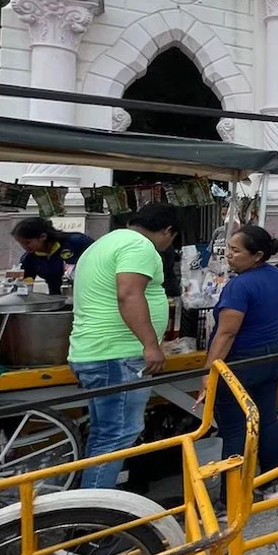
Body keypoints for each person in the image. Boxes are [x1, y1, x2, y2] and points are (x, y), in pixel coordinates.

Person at [68, 202, 180, 489]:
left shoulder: (104, 242)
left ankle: (90, 506)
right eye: (172, 238)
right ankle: (93, 515)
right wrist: (151, 345)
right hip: (116, 356)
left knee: (105, 434)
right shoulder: (139, 246)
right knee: (117, 435)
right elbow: (128, 294)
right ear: (167, 231)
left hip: (98, 352)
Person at [197, 225, 278, 504]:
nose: (228, 255)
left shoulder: (240, 285)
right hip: (270, 358)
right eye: (228, 249)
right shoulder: (275, 275)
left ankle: (231, 500)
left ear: (257, 255)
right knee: (267, 419)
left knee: (235, 429)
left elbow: (227, 332)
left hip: (240, 364)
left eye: (236, 251)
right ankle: (271, 484)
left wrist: (209, 372)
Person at [11, 217, 94, 294]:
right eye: (21, 243)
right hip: (57, 299)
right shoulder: (29, 259)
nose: (24, 247)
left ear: (43, 237)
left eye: (27, 243)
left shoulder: (77, 242)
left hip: (90, 294)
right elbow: (25, 284)